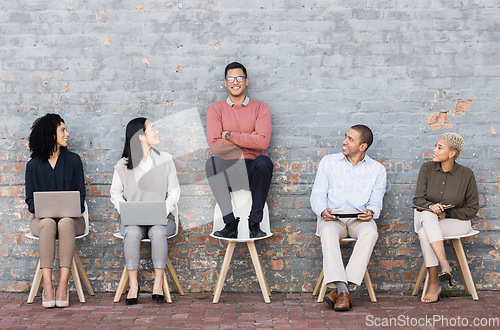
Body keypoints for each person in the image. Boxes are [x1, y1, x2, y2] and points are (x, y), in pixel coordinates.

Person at [310, 125, 386, 312]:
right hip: (332, 219)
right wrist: (322, 211)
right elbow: (317, 195)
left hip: (359, 219)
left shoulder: (377, 169)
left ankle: (341, 291)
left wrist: (371, 211)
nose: (344, 141)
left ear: (363, 146)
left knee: (370, 232)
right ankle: (344, 291)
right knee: (327, 231)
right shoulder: (328, 162)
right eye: (346, 137)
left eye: (351, 139)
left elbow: (376, 202)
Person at [110, 118, 180, 304]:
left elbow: (174, 190)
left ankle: (158, 284)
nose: (156, 132)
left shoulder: (165, 159)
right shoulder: (122, 165)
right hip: (133, 220)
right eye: (152, 128)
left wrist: (163, 210)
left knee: (157, 232)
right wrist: (125, 210)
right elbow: (115, 194)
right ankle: (134, 285)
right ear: (140, 136)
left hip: (162, 219)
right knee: (132, 233)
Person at [25, 113, 86, 308]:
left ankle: (62, 285)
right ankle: (47, 286)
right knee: (48, 222)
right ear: (51, 134)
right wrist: (45, 211)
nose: (67, 134)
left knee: (66, 222)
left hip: (72, 220)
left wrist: (71, 210)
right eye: (62, 130)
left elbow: (81, 196)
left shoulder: (74, 160)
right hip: (42, 221)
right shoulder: (33, 165)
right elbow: (30, 200)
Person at [205, 62, 273, 239]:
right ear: (225, 83)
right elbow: (214, 146)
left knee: (264, 162)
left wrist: (229, 135)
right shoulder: (216, 109)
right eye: (231, 78)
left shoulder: (260, 108)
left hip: (253, 172)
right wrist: (249, 139)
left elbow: (263, 143)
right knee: (212, 163)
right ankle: (230, 223)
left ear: (247, 81)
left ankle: (254, 222)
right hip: (229, 170)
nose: (235, 82)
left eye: (239, 78)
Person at [413, 132, 479, 303]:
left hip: (457, 223)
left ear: (452, 153)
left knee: (425, 233)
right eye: (436, 146)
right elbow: (418, 199)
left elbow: (472, 209)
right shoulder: (427, 168)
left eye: (439, 147)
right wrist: (430, 206)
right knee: (427, 221)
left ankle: (435, 283)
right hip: (431, 220)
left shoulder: (466, 174)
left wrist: (447, 213)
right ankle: (444, 266)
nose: (434, 150)